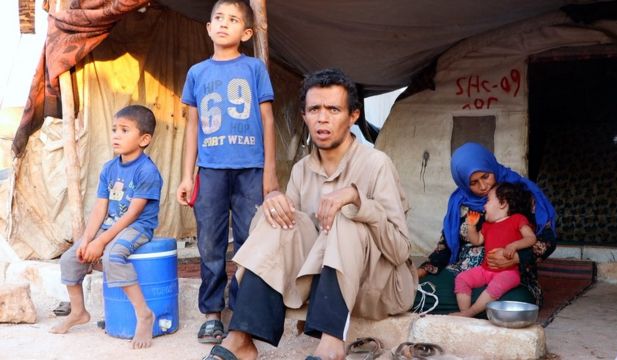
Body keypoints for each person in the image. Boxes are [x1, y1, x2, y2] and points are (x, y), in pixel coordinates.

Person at [202, 68, 417, 360]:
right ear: (304, 116)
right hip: (317, 285)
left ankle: (331, 344)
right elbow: (285, 240)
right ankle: (240, 339)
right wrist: (273, 204)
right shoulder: (302, 169)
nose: (323, 118)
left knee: (347, 217)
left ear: (353, 116)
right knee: (277, 217)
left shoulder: (376, 164)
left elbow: (400, 249)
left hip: (376, 286)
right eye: (314, 109)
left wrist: (356, 200)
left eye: (333, 109)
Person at [176, 0, 278, 344]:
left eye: (232, 20)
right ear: (208, 27)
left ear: (246, 33)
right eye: (218, 18)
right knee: (210, 243)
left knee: (251, 242)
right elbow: (192, 126)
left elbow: (267, 120)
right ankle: (212, 314)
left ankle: (243, 313)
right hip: (211, 171)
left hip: (251, 169)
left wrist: (270, 173)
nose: (223, 24)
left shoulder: (254, 68)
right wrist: (187, 175)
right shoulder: (197, 73)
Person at [51, 105, 163, 349]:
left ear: (144, 139)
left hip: (138, 226)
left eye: (124, 130)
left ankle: (144, 314)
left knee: (113, 255)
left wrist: (102, 243)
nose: (116, 135)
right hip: (112, 226)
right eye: (114, 130)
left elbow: (133, 214)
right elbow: (100, 209)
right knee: (70, 257)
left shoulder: (147, 171)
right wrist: (88, 240)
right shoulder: (109, 168)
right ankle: (79, 312)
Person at [413, 142, 556, 314]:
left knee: (517, 303)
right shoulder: (459, 204)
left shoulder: (517, 194)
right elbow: (444, 249)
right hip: (464, 272)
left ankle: (467, 309)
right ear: (464, 182)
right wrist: (419, 272)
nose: (482, 186)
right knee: (415, 296)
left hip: (510, 273)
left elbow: (547, 240)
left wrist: (517, 257)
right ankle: (476, 309)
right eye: (473, 182)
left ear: (491, 167)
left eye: (486, 176)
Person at [452, 182, 537, 317]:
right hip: (485, 269)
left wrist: (514, 245)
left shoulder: (517, 219)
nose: (484, 206)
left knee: (495, 287)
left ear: (502, 203)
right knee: (462, 278)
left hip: (508, 272)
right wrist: (472, 227)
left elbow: (531, 238)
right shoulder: (487, 225)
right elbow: (477, 241)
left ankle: (471, 312)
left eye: (488, 200)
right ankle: (464, 312)